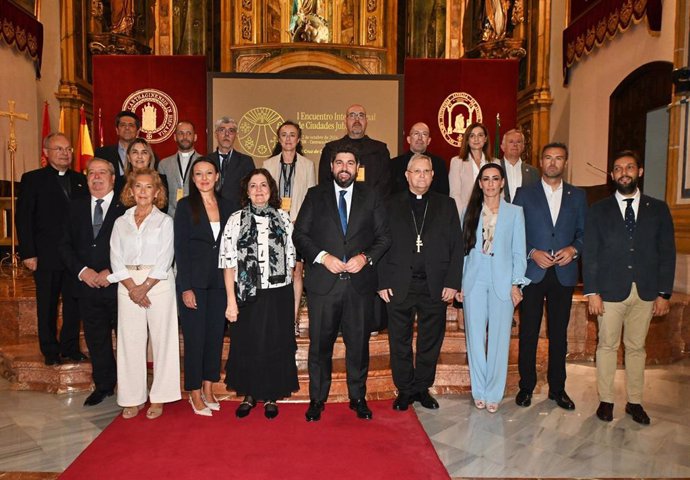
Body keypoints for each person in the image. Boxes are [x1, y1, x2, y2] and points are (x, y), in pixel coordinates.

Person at [294, 145, 391, 421]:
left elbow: (384, 237)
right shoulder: (315, 196)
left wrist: (366, 258)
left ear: (357, 167)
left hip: (359, 286)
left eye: (350, 162)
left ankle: (358, 397)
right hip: (324, 286)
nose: (344, 167)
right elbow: (300, 235)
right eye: (339, 163)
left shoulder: (370, 196)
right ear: (331, 167)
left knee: (358, 345)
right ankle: (317, 399)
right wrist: (323, 258)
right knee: (319, 346)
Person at [584, 150, 675, 425]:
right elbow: (591, 252)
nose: (624, 172)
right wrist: (592, 292)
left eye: (630, 167)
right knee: (607, 346)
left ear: (640, 171)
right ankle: (606, 401)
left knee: (637, 348)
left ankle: (635, 402)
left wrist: (664, 293)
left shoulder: (658, 209)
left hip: (645, 291)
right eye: (618, 168)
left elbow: (666, 252)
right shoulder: (598, 210)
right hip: (609, 292)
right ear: (612, 176)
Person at [378, 154, 463, 411]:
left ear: (433, 175)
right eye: (417, 171)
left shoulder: (446, 205)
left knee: (430, 340)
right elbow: (380, 244)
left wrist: (453, 282)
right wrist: (382, 281)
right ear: (407, 175)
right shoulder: (390, 204)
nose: (422, 176)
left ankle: (422, 388)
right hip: (399, 283)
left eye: (426, 171)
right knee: (399, 340)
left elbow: (457, 246)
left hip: (434, 285)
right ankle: (404, 389)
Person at [219, 168, 299, 420]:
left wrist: (295, 310)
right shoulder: (235, 219)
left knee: (275, 345)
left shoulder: (283, 219)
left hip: (278, 294)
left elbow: (293, 265)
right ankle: (250, 395)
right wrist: (231, 301)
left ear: (271, 189)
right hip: (247, 293)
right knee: (248, 345)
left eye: (263, 185)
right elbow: (228, 263)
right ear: (247, 191)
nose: (259, 190)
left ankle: (272, 396)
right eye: (253, 185)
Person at [513, 142, 587, 410]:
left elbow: (584, 233)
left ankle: (558, 389)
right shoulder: (524, 194)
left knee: (559, 334)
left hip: (564, 274)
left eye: (558, 158)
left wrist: (574, 250)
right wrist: (532, 252)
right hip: (533, 273)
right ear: (540, 162)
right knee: (529, 332)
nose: (553, 163)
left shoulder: (577, 196)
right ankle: (526, 387)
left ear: (565, 162)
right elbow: (514, 233)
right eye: (548, 158)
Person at [107, 169, 180, 420]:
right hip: (127, 284)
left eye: (149, 187)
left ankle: (159, 396)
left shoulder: (165, 222)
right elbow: (115, 258)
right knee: (129, 342)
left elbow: (165, 258)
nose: (143, 192)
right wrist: (132, 288)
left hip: (157, 284)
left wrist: (144, 287)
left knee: (163, 341)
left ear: (157, 192)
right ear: (130, 190)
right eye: (138, 186)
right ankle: (131, 397)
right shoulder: (120, 222)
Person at [458, 163, 528, 413]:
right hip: (475, 279)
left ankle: (494, 392)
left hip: (502, 279)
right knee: (475, 338)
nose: (490, 183)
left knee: (499, 340)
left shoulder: (515, 212)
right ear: (479, 183)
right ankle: (479, 390)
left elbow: (519, 251)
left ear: (502, 183)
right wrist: (460, 283)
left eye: (495, 179)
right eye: (485, 179)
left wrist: (516, 283)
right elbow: (463, 252)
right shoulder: (469, 211)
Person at [16, 132, 89, 366]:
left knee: (73, 305)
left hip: (75, 257)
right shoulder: (32, 179)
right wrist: (28, 253)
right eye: (59, 149)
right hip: (46, 256)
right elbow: (23, 218)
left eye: (68, 149)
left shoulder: (80, 180)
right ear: (46, 153)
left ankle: (70, 347)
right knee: (46, 304)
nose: (65, 153)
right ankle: (49, 349)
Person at [60, 158, 126, 406]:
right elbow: (64, 245)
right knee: (96, 339)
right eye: (91, 174)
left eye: (102, 173)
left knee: (126, 338)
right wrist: (83, 271)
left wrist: (111, 270)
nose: (96, 178)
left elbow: (132, 246)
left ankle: (130, 386)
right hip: (86, 286)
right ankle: (104, 385)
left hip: (119, 284)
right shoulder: (74, 207)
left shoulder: (126, 207)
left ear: (112, 178)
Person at [175, 157, 229, 416]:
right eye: (198, 174)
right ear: (192, 179)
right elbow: (181, 250)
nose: (204, 178)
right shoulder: (185, 207)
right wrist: (185, 287)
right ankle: (194, 392)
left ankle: (209, 387)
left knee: (214, 338)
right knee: (195, 339)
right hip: (194, 284)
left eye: (209, 173)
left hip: (220, 283)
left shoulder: (229, 206)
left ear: (217, 176)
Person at [263, 120, 316, 332]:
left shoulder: (307, 165)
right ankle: (276, 318)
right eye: (284, 135)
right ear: (278, 139)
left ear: (299, 139)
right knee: (275, 271)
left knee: (296, 271)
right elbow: (263, 197)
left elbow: (311, 197)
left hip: (298, 225)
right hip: (274, 226)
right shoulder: (267, 165)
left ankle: (292, 321)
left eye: (292, 135)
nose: (288, 139)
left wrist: (299, 220)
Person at [318, 104, 391, 197]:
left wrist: (371, 202)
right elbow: (325, 182)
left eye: (361, 116)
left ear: (366, 121)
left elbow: (385, 183)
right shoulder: (331, 149)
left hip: (373, 206)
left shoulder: (380, 150)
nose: (357, 120)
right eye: (352, 116)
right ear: (345, 121)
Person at [208, 116, 255, 214]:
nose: (226, 134)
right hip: (210, 215)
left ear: (236, 135)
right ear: (216, 134)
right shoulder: (206, 161)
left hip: (237, 215)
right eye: (222, 130)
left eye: (231, 131)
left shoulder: (246, 162)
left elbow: (251, 191)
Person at [391, 122, 449, 195]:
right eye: (416, 134)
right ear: (408, 139)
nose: (420, 138)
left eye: (424, 134)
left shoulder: (439, 164)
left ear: (429, 140)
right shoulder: (394, 164)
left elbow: (443, 194)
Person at [449, 122, 493, 215]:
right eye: (472, 135)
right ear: (467, 140)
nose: (476, 139)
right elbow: (455, 194)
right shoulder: (457, 162)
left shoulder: (495, 162)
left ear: (485, 139)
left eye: (480, 135)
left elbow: (500, 194)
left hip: (491, 214)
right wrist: (462, 217)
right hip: (467, 214)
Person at [158, 121, 200, 218]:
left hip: (197, 216)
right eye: (181, 133)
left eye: (189, 133)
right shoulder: (164, 164)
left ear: (195, 137)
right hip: (170, 218)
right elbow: (161, 196)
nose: (185, 137)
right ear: (175, 137)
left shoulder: (204, 163)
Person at [116, 138, 168, 210]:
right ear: (128, 158)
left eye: (144, 152)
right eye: (135, 152)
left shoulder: (161, 180)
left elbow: (163, 208)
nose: (139, 156)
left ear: (150, 158)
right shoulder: (118, 182)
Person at [95, 111, 141, 180]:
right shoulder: (102, 153)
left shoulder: (147, 155)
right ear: (117, 130)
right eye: (123, 125)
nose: (127, 128)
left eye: (131, 125)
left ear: (137, 132)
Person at [498, 129, 539, 203]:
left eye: (518, 142)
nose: (515, 145)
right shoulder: (494, 168)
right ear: (502, 147)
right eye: (511, 142)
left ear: (523, 147)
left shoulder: (533, 172)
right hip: (499, 212)